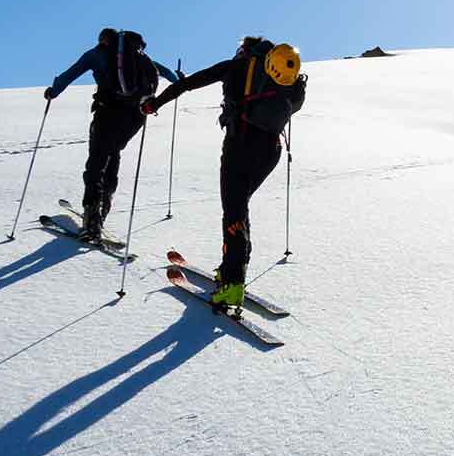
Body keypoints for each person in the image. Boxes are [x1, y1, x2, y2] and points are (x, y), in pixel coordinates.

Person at [142, 36, 306, 308]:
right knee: (239, 207)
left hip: (240, 146)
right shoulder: (279, 72)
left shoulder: (235, 66)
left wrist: (154, 104)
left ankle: (232, 283)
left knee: (234, 211)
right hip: (271, 150)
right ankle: (233, 269)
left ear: (244, 49)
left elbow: (188, 84)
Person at [46, 28, 180, 242]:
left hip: (107, 112)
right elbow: (167, 74)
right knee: (113, 153)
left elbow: (70, 74)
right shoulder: (139, 57)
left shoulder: (96, 54)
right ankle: (102, 210)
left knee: (97, 161)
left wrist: (53, 91)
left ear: (102, 40)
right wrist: (178, 78)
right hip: (135, 116)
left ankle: (91, 218)